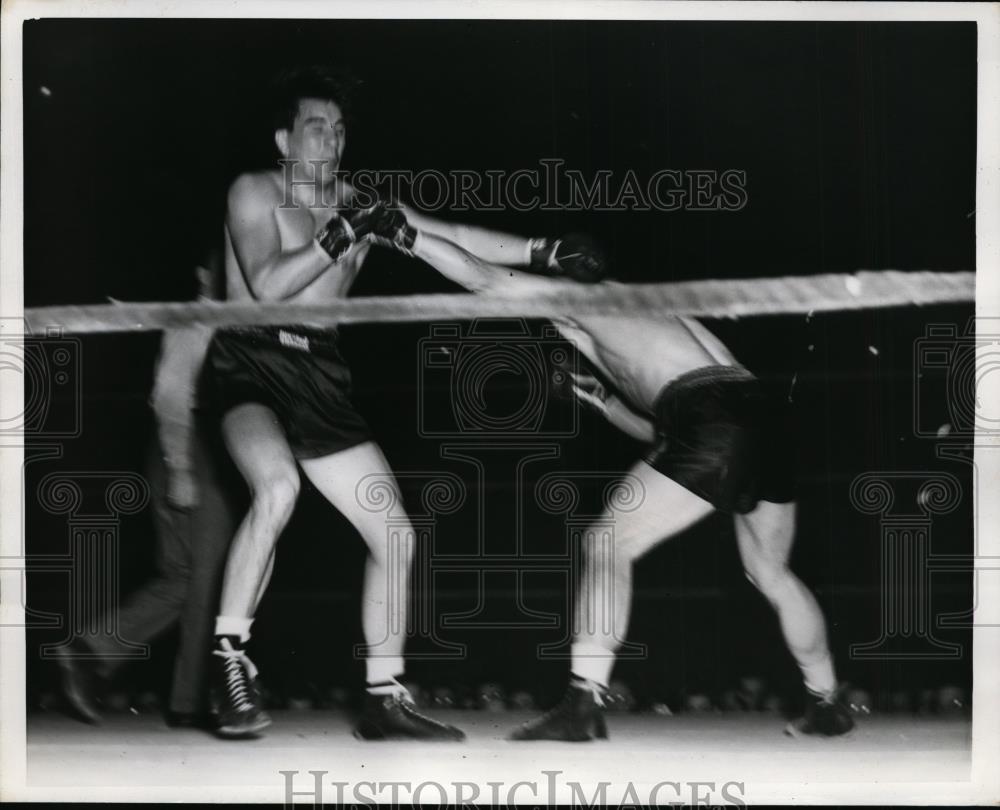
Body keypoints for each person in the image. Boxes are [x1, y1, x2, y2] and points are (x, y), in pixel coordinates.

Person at [204, 65, 595, 739]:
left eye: (339, 129)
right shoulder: (255, 192)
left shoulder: (359, 200)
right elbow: (268, 285)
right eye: (316, 128)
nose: (330, 140)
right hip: (251, 362)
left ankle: (384, 698)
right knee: (276, 488)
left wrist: (545, 249)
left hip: (321, 373)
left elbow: (453, 237)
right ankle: (229, 659)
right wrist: (343, 234)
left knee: (395, 532)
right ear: (284, 139)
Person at [362, 214, 855, 740]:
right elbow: (667, 432)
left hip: (715, 415)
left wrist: (402, 234)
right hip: (761, 414)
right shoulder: (641, 313)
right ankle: (827, 700)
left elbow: (481, 276)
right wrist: (596, 398)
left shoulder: (576, 301)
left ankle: (582, 702)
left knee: (606, 542)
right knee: (771, 572)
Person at [55, 259, 240, 728]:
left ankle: (92, 648)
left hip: (179, 444)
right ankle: (188, 701)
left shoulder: (221, 315)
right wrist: (180, 464)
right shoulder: (203, 314)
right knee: (205, 579)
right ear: (204, 275)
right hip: (185, 441)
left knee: (181, 577)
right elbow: (172, 389)